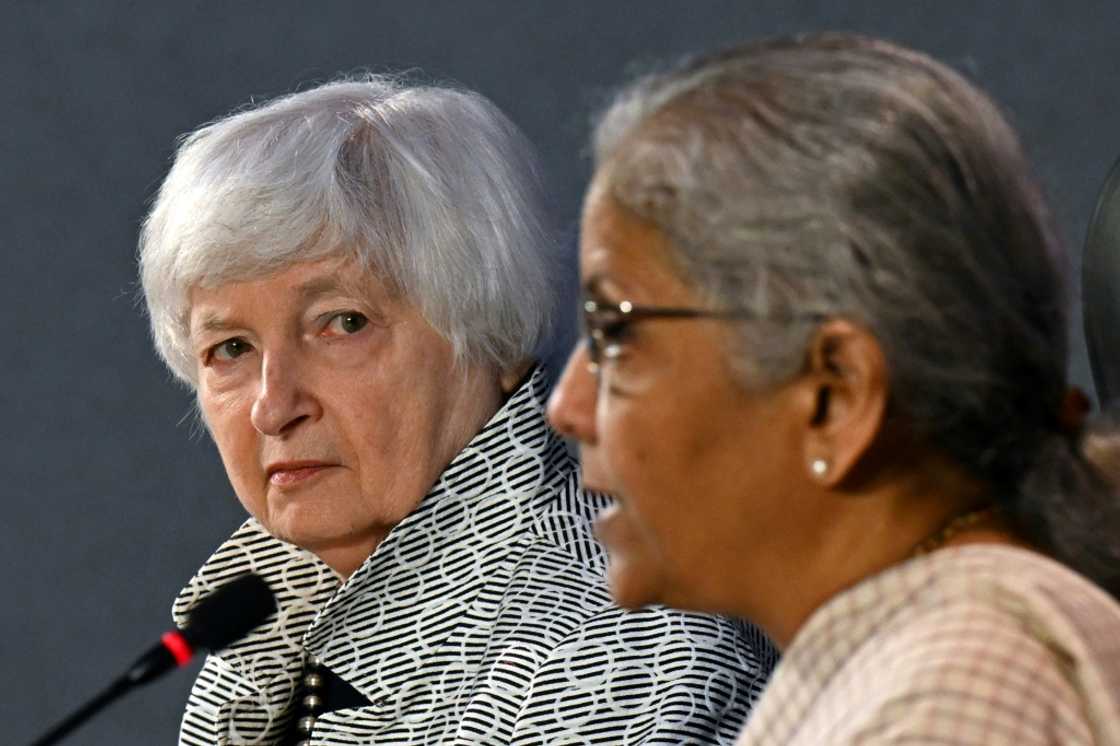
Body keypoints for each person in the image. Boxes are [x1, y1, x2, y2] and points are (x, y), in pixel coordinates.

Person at [138, 76, 774, 745]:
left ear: (493, 334)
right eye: (230, 347)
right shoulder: (261, 640)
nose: (274, 406)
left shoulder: (618, 663)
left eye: (342, 323)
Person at [547, 33, 1120, 745]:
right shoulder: (916, 661)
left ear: (835, 395)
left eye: (617, 333)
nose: (565, 407)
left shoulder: (948, 708)